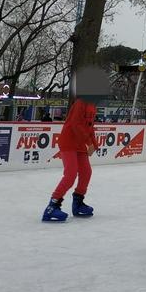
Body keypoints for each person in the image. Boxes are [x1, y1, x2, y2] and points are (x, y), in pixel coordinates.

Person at [41, 67, 106, 222]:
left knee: (86, 172)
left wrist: (94, 144)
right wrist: (89, 143)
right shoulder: (80, 103)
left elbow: (89, 127)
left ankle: (78, 203)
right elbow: (76, 125)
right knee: (70, 175)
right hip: (69, 142)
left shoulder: (92, 105)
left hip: (80, 144)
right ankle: (52, 206)